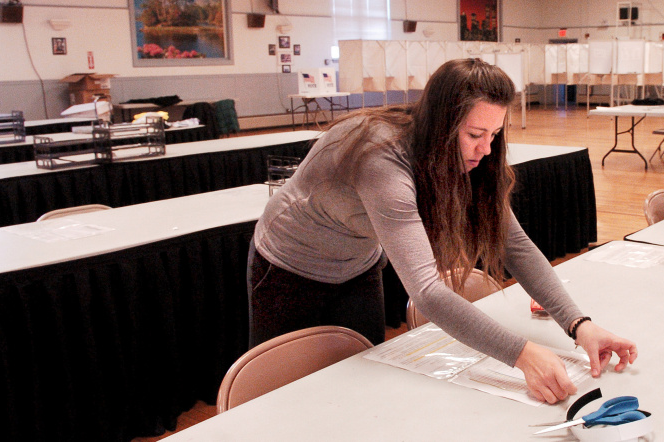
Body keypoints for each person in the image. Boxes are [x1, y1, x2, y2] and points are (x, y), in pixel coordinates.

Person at [248, 58, 637, 404]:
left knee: (360, 385)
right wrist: (522, 354)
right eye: (474, 135)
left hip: (356, 265)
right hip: (286, 266)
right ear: (441, 123)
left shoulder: (464, 158)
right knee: (278, 399)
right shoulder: (380, 156)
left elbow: (514, 244)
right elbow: (428, 292)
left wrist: (578, 325)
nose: (486, 149)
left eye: (494, 134)